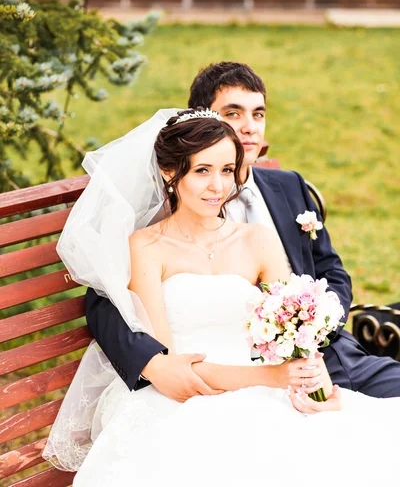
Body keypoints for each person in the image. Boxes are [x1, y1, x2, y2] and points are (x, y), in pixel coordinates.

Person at [45, 109, 399, 487]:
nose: (218, 185)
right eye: (202, 171)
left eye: (227, 170)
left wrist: (316, 378)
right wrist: (271, 376)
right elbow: (172, 369)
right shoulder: (146, 248)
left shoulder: (256, 240)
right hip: (185, 403)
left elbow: (298, 326)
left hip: (269, 391)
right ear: (169, 172)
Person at [86, 62, 400, 399]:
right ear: (203, 121)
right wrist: (152, 362)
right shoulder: (157, 215)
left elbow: (330, 271)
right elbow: (107, 297)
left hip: (322, 356)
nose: (249, 128)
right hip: (225, 374)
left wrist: (312, 328)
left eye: (258, 114)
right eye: (233, 114)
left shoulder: (288, 185)